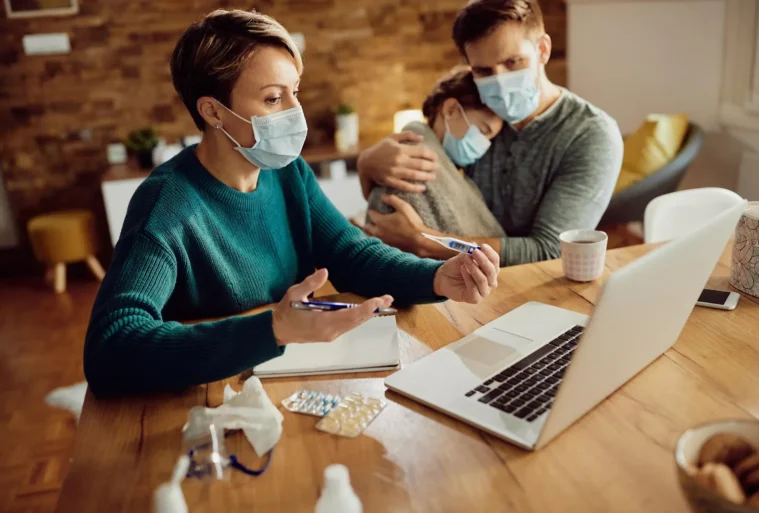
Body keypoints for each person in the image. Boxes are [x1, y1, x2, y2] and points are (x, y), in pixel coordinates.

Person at [83, 9, 500, 397]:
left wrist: (436, 277)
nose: (295, 112)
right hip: (214, 398)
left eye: (294, 92)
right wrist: (273, 330)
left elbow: (351, 253)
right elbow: (111, 348)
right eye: (271, 98)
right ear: (213, 111)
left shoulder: (288, 173)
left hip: (289, 383)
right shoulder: (166, 205)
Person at [361, 0, 623, 266]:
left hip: (535, 284)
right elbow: (428, 188)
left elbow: (550, 250)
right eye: (483, 70)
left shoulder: (591, 135)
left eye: (512, 62)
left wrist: (427, 241)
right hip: (459, 280)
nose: (499, 81)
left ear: (543, 50)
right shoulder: (478, 111)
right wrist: (367, 164)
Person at [367, 67, 506, 242]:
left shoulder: (458, 173)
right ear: (451, 109)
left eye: (491, 138)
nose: (484, 144)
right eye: (482, 131)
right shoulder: (411, 165)